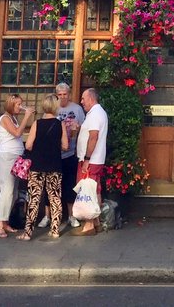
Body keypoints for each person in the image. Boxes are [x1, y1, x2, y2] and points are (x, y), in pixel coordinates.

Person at [18, 94, 69, 240]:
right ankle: (55, 230)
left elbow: (28, 145)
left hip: (37, 165)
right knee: (55, 198)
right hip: (54, 165)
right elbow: (65, 146)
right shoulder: (60, 124)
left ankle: (28, 233)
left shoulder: (37, 124)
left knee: (34, 198)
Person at [0, 93, 33, 239]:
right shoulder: (4, 118)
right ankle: (0, 224)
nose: (20, 107)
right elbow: (17, 133)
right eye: (18, 104)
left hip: (16, 157)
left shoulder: (13, 118)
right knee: (7, 191)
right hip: (7, 157)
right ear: (10, 105)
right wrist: (27, 116)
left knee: (15, 192)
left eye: (21, 103)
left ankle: (5, 222)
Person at [75, 87, 108, 236]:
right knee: (95, 189)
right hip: (96, 158)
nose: (81, 101)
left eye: (83, 98)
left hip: (92, 159)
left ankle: (88, 224)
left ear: (91, 98)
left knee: (87, 189)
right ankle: (97, 221)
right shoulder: (96, 113)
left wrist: (87, 159)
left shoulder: (95, 114)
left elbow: (93, 136)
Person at [54, 82, 85, 228]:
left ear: (69, 94)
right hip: (54, 153)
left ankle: (72, 216)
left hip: (71, 153)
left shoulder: (77, 109)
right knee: (54, 186)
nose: (62, 97)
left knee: (70, 185)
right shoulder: (53, 108)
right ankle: (54, 217)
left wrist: (76, 129)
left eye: (64, 94)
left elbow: (84, 130)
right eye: (59, 95)